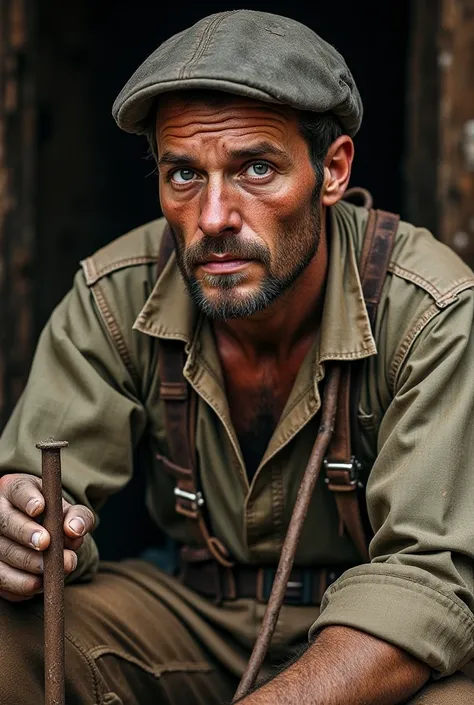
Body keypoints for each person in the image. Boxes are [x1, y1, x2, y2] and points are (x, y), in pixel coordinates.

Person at [1, 9, 474, 704]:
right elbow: (40, 503)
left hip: (365, 631)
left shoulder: (432, 311)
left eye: (256, 168)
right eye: (185, 174)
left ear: (332, 169)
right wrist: (23, 529)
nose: (215, 216)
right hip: (187, 616)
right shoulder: (116, 294)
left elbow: (433, 579)